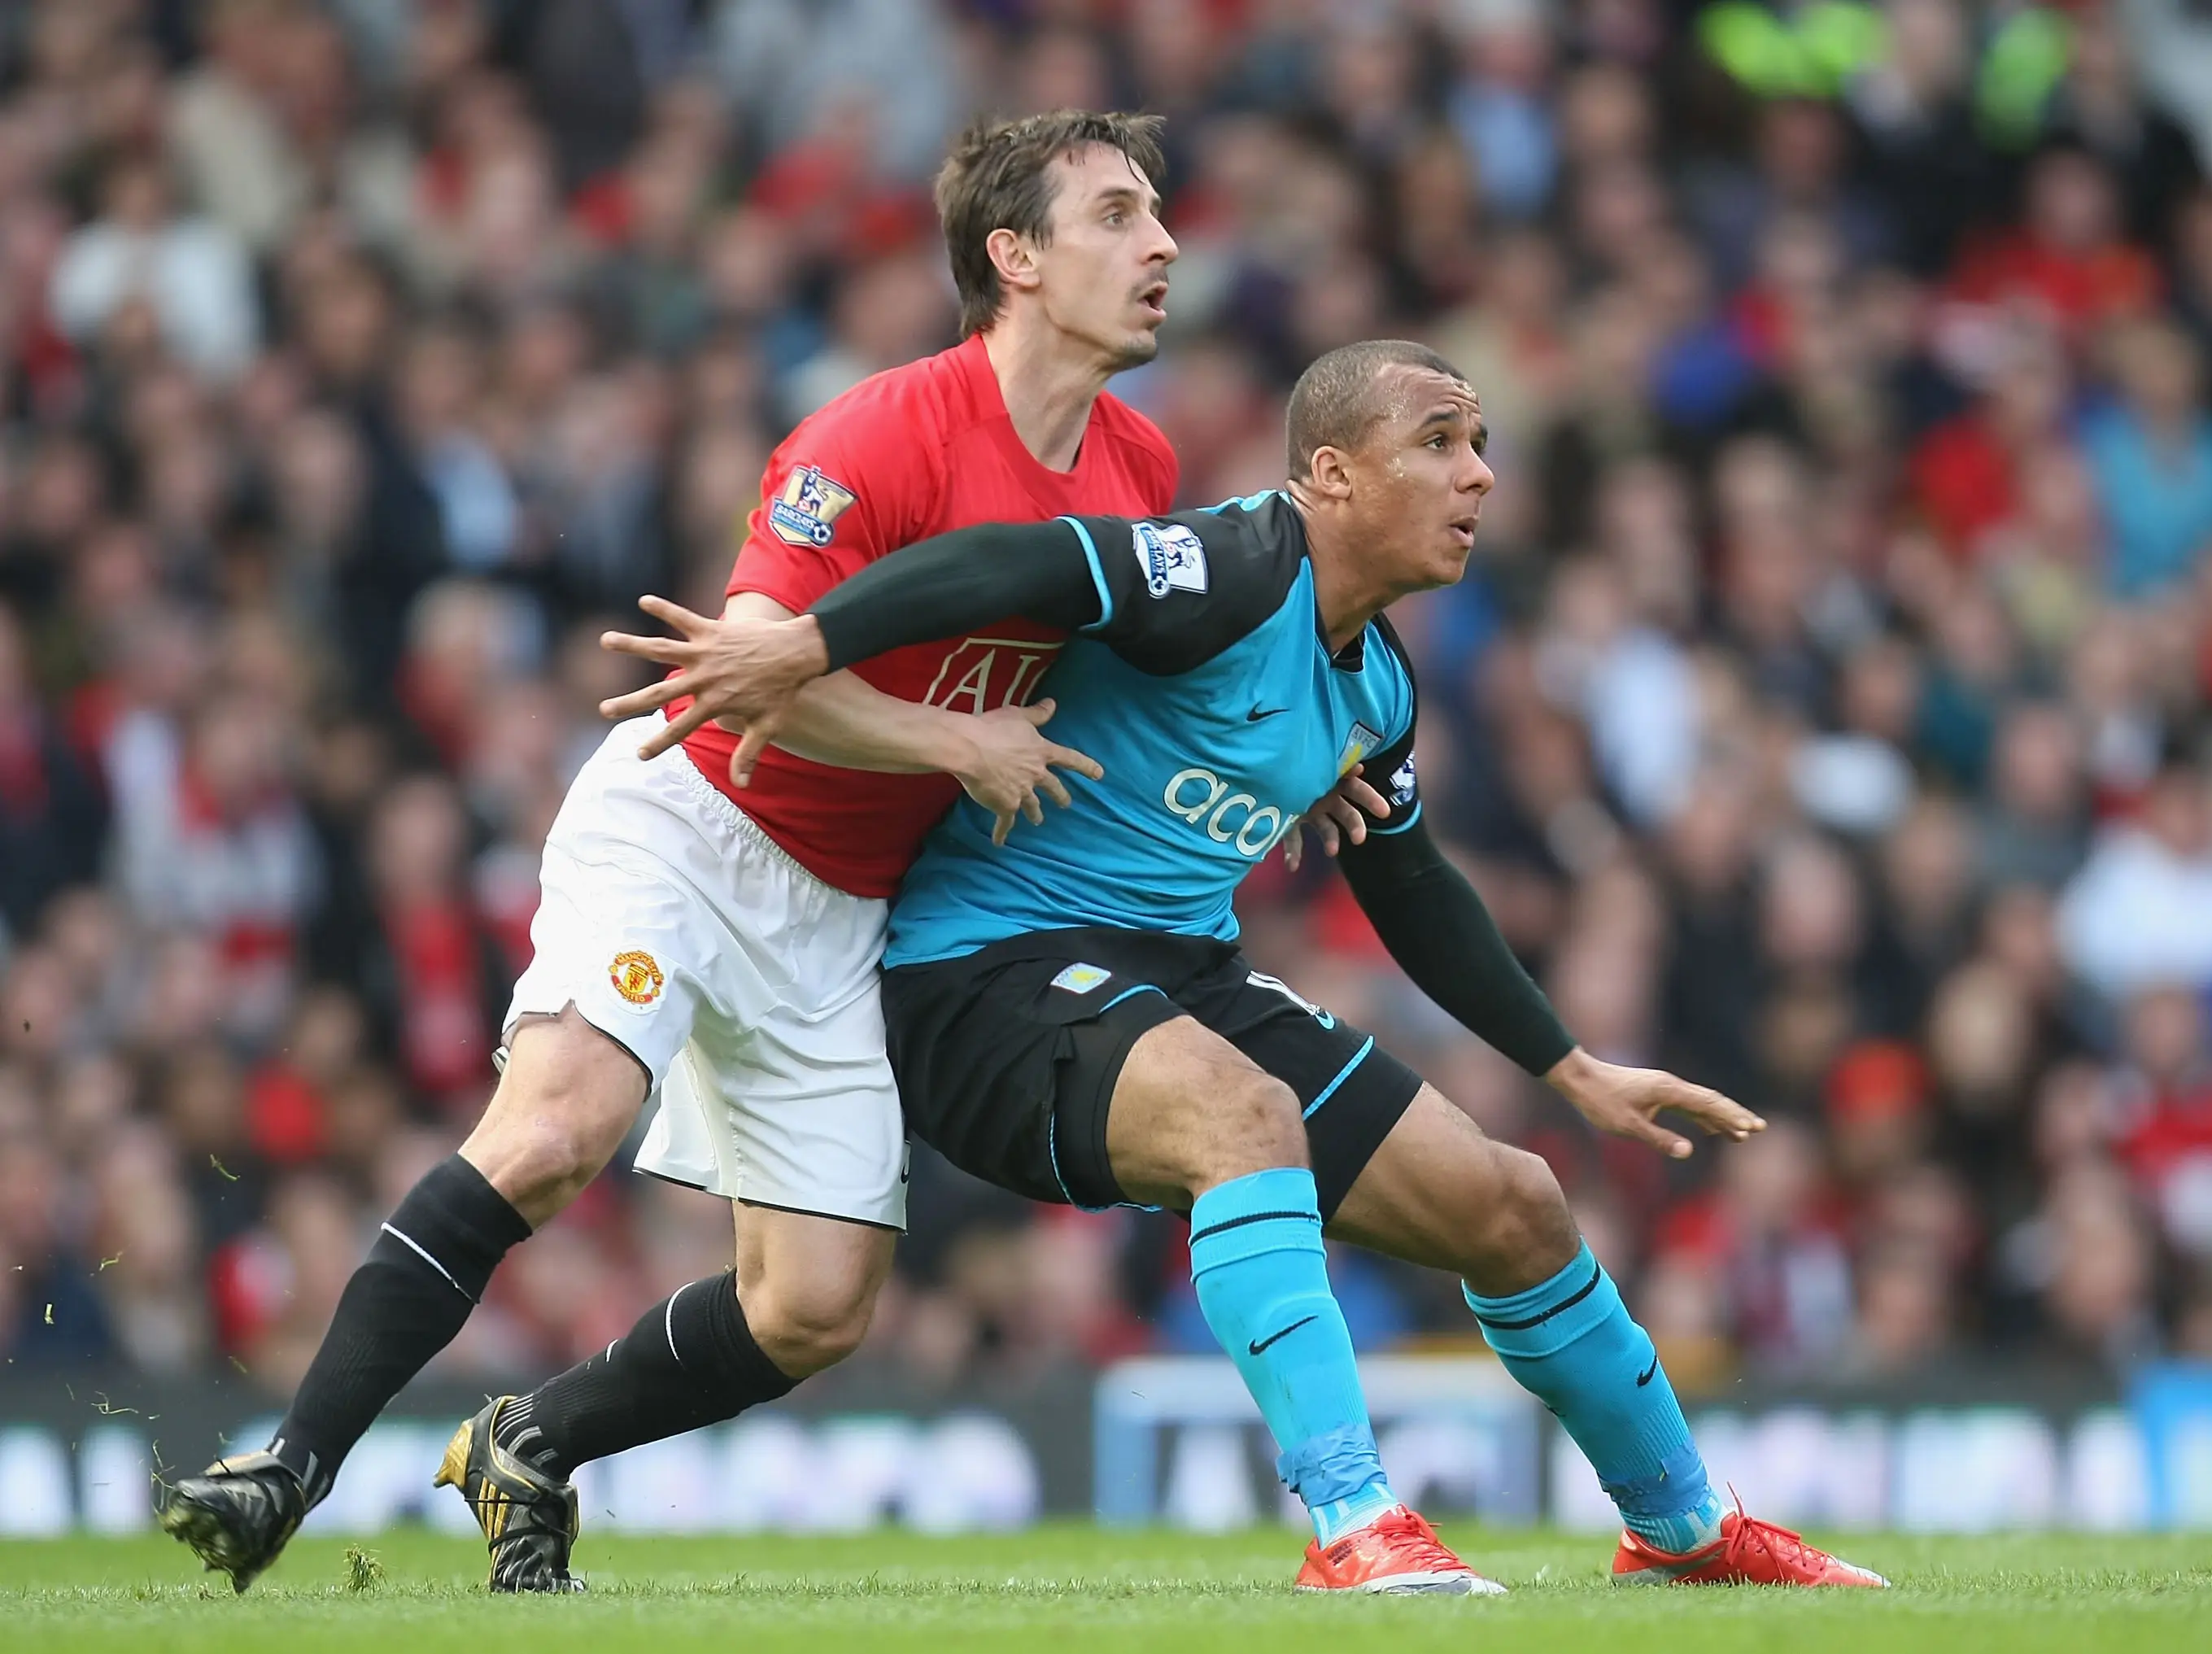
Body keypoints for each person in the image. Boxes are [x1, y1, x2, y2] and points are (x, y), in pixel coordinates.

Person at [609, 339, 1887, 1591]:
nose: (1479, 477)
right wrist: (803, 645)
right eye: (1438, 443)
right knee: (1247, 1120)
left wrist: (1572, 1065)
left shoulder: (1376, 682)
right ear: (1328, 475)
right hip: (985, 978)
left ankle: (1683, 1527)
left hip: (1175, 977)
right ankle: (1353, 1523)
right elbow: (1013, 559)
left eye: (1482, 447)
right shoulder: (1225, 569)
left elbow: (1412, 879)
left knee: (1516, 1205)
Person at [162, 109, 1218, 1595]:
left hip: (847, 911)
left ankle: (530, 1441)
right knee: (552, 1133)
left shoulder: (1140, 460)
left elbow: (1127, 678)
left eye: (1158, 215)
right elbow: (734, 680)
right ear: (1016, 258)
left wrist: (1299, 767)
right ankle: (291, 1462)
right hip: (695, 825)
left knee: (816, 1305)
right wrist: (951, 746)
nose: (1163, 242)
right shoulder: (876, 435)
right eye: (1118, 214)